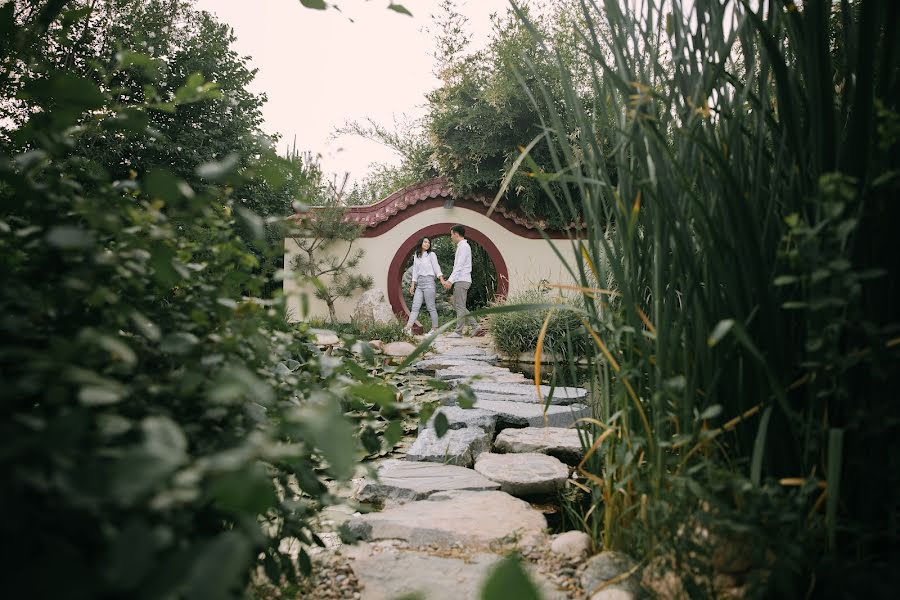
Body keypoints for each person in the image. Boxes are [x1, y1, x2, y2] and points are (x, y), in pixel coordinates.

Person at [443, 224, 480, 337]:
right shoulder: (462, 246)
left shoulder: (463, 247)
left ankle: (458, 332)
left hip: (462, 280)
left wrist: (450, 281)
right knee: (459, 305)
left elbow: (459, 266)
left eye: (451, 235)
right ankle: (475, 326)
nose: (451, 237)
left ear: (456, 234)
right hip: (462, 280)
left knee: (459, 305)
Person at [403, 237, 444, 335]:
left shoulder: (431, 255)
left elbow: (436, 267)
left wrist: (442, 279)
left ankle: (435, 329)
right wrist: (413, 285)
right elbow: (415, 271)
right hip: (419, 284)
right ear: (421, 243)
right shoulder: (416, 256)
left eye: (429, 243)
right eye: (425, 242)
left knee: (431, 307)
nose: (427, 244)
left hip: (429, 282)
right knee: (415, 307)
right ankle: (407, 328)